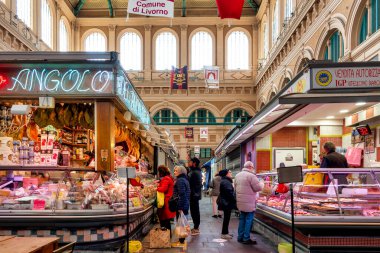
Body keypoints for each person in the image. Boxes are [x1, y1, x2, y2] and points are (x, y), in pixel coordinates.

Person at [234, 161, 264, 245]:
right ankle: (246, 238)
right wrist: (262, 183)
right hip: (249, 202)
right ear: (250, 167)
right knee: (248, 220)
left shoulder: (237, 175)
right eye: (253, 167)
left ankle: (240, 237)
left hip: (240, 202)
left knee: (242, 219)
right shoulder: (251, 176)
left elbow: (235, 188)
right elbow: (258, 188)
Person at [156, 165, 176, 234]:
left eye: (159, 172)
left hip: (166, 201)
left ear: (161, 172)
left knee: (165, 219)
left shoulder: (166, 178)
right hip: (168, 200)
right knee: (166, 219)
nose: (158, 173)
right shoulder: (168, 177)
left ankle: (166, 236)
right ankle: (167, 235)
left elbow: (163, 189)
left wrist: (156, 188)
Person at [218, 169, 236, 239]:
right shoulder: (226, 182)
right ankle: (224, 234)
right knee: (226, 218)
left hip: (226, 202)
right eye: (229, 172)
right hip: (227, 203)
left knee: (226, 218)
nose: (231, 173)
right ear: (226, 174)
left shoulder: (225, 181)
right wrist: (234, 200)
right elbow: (229, 193)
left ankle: (226, 232)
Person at [188, 157, 202, 236]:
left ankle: (196, 228)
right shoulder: (195, 171)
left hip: (193, 194)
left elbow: (191, 184)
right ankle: (196, 227)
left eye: (190, 162)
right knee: (194, 211)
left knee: (195, 211)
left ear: (194, 163)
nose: (188, 163)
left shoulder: (194, 172)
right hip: (194, 194)